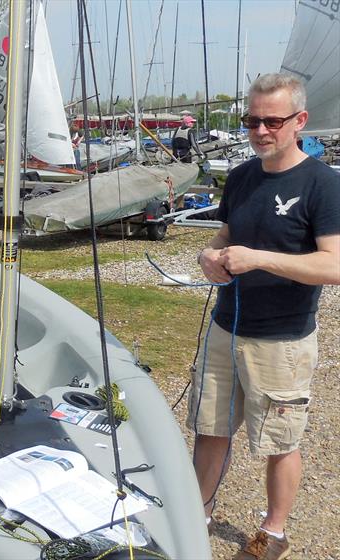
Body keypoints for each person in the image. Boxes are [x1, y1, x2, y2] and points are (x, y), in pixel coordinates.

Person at [189, 73, 340, 560]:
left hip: (282, 340)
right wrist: (210, 256)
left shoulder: (322, 184)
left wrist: (258, 259)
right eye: (251, 120)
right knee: (209, 427)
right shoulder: (241, 175)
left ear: (299, 121)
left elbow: (333, 265)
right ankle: (198, 514)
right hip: (225, 328)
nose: (260, 131)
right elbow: (227, 232)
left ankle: (273, 534)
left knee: (278, 440)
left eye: (271, 121)